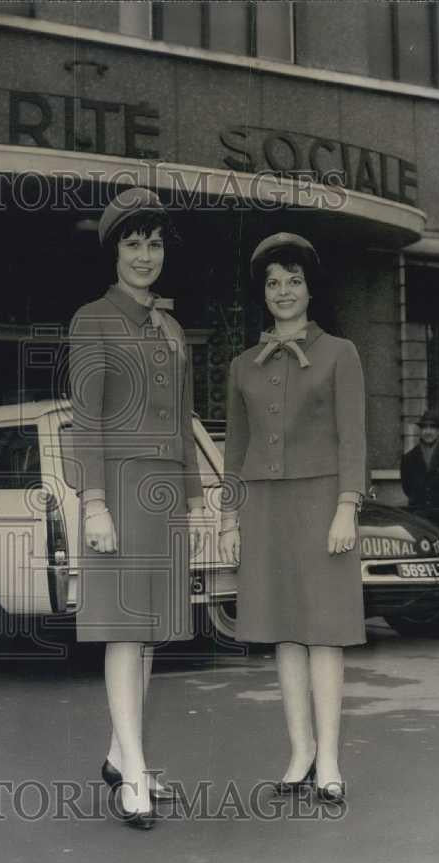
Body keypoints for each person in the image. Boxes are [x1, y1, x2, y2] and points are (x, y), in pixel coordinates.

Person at [68, 187, 207, 830]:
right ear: (114, 250)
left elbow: (181, 420)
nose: (145, 255)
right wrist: (94, 504)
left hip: (163, 497)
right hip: (118, 493)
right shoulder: (92, 319)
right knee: (125, 631)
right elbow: (88, 422)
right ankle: (134, 776)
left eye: (154, 244)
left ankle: (122, 753)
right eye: (133, 242)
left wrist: (197, 503)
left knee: (150, 631)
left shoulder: (174, 328)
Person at [218, 232, 366, 804]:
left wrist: (346, 508)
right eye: (273, 283)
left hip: (323, 505)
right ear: (263, 292)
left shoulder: (340, 353)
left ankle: (328, 757)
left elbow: (353, 439)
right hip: (265, 509)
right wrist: (231, 519)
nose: (284, 292)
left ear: (310, 288)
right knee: (283, 631)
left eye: (294, 281)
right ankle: (299, 752)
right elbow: (235, 447)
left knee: (324, 632)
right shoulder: (242, 365)